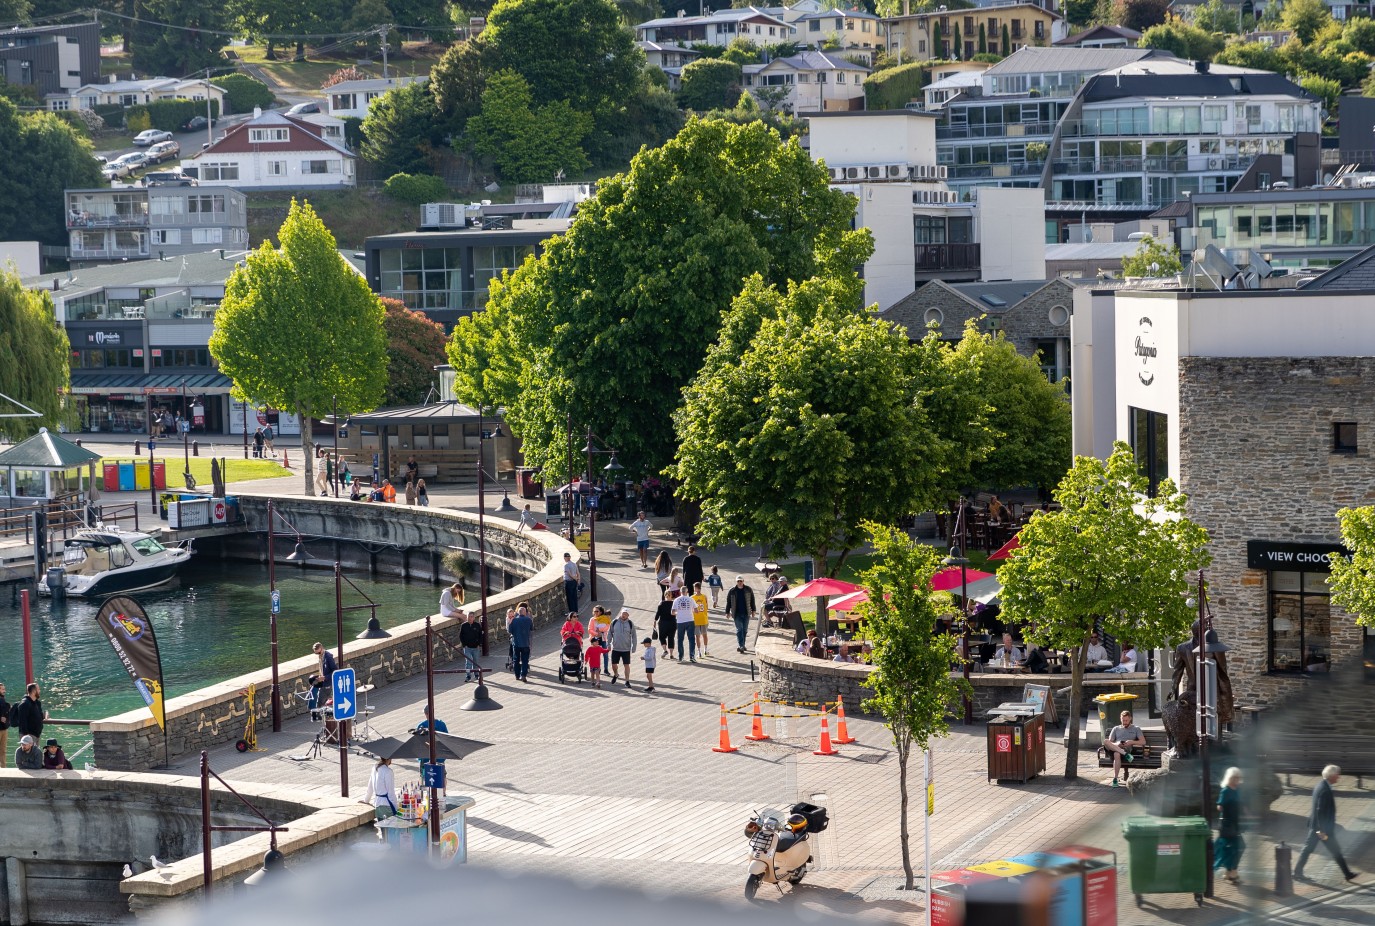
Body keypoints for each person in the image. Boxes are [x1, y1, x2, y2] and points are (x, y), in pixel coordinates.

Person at [1294, 764, 1358, 882]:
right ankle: (1297, 872)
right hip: (1320, 830)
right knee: (1313, 849)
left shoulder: (1321, 785)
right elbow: (1319, 810)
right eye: (1337, 775)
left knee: (1329, 849)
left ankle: (1347, 874)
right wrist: (1321, 831)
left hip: (1319, 828)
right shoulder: (1324, 790)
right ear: (1331, 776)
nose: (1338, 778)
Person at [1215, 767, 1244, 883]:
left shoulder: (1236, 790)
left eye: (1238, 777)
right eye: (1234, 777)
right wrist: (1225, 806)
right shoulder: (1226, 790)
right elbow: (1219, 806)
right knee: (1238, 847)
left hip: (1235, 824)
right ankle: (1233, 871)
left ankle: (1229, 872)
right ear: (1230, 778)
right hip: (1227, 825)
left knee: (1232, 848)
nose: (1237, 779)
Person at [1103, 710, 1146, 787]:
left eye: (1126, 720)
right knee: (1106, 741)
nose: (1124, 722)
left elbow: (1143, 742)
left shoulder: (1136, 728)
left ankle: (1115, 779)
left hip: (1126, 748)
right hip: (1115, 747)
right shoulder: (1116, 728)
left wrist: (1131, 742)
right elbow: (1110, 742)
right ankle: (1125, 754)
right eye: (1123, 720)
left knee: (1117, 754)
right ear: (1120, 719)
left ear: (1130, 719)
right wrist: (1117, 744)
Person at [725, 576, 757, 654]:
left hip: (746, 613)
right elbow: (728, 602)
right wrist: (727, 612)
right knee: (739, 629)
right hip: (736, 613)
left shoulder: (748, 589)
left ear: (743, 581)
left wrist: (754, 610)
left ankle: (743, 644)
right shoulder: (732, 591)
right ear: (736, 582)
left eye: (741, 581)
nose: (739, 582)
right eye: (738, 581)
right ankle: (741, 646)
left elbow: (752, 600)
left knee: (745, 630)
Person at [608, 609, 636, 688]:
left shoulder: (630, 623)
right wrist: (608, 644)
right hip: (616, 648)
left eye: (626, 614)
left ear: (628, 615)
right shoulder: (614, 622)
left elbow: (634, 635)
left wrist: (634, 646)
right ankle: (616, 674)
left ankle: (627, 681)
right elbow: (610, 633)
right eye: (623, 613)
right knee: (614, 665)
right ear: (620, 613)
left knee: (626, 665)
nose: (624, 615)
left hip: (626, 649)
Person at [308, 643, 336, 720]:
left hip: (328, 683)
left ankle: (324, 719)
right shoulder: (321, 656)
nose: (317, 654)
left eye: (318, 652)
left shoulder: (328, 657)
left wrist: (325, 677)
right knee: (321, 702)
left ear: (321, 648)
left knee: (320, 702)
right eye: (315, 653)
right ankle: (325, 718)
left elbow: (335, 671)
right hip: (323, 682)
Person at [365, 756, 397, 820]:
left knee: (382, 827)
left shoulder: (374, 767)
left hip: (377, 804)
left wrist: (366, 800)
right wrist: (396, 807)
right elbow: (391, 792)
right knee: (390, 828)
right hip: (387, 805)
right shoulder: (388, 771)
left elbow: (370, 788)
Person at [508, 603, 534, 683]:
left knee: (516, 660)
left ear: (518, 613)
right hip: (525, 643)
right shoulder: (528, 620)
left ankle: (517, 675)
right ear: (525, 612)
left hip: (516, 643)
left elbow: (510, 631)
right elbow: (531, 629)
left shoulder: (514, 620)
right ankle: (523, 675)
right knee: (525, 660)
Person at [458, 610, 484, 682]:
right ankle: (468, 676)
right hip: (467, 647)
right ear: (467, 617)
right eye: (469, 616)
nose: (470, 618)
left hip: (475, 647)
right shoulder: (463, 625)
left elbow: (480, 636)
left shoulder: (477, 625)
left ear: (474, 618)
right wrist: (464, 645)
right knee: (468, 662)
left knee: (475, 661)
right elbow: (461, 636)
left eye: (471, 617)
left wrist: (479, 644)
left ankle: (476, 675)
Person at [672, 585, 697, 662]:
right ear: (687, 592)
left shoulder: (676, 600)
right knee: (691, 639)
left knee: (680, 639)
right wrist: (690, 611)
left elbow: (672, 612)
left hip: (680, 621)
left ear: (680, 592)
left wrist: (678, 612)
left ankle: (681, 657)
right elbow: (696, 611)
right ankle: (692, 656)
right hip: (690, 620)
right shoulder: (691, 599)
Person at [655, 589, 677, 660]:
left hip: (663, 623)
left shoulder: (661, 603)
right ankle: (671, 654)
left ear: (665, 595)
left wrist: (655, 621)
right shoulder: (674, 603)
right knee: (671, 638)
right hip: (672, 623)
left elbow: (658, 614)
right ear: (671, 596)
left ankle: (665, 650)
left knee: (662, 637)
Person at [588, 607, 611, 673]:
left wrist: (600, 631)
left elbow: (606, 627)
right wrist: (596, 633)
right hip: (594, 639)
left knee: (605, 654)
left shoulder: (605, 618)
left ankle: (606, 669)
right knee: (595, 655)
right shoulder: (592, 619)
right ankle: (596, 668)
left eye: (597, 611)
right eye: (594, 611)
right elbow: (590, 629)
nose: (595, 613)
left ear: (601, 612)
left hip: (603, 638)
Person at [692, 582, 711, 658]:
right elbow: (706, 606)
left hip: (696, 619)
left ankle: (699, 651)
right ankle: (705, 650)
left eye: (694, 587)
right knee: (704, 635)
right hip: (703, 618)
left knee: (698, 636)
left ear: (697, 588)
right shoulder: (704, 597)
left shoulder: (692, 597)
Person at [0, 682, 9, 769]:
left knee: (3, 750)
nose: (4, 691)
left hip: (4, 728)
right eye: (2, 689)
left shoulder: (3, 699)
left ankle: (3, 768)